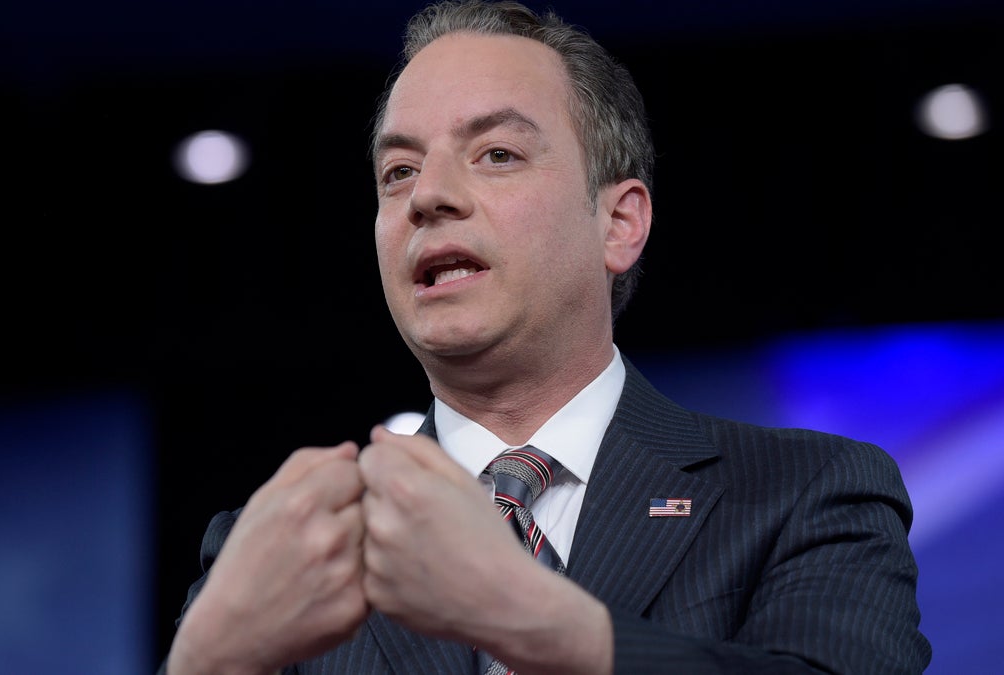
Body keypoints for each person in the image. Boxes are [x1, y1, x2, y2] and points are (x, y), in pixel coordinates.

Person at [159, 1, 932, 673]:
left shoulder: (805, 494)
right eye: (397, 171)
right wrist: (207, 660)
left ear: (619, 222)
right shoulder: (292, 546)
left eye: (496, 154)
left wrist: (526, 615)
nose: (427, 195)